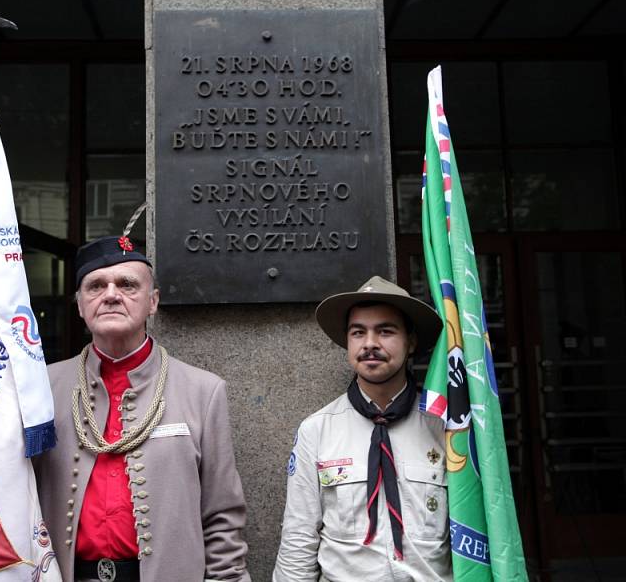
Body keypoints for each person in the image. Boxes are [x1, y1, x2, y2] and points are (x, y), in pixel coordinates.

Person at [35, 231, 250, 582]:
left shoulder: (202, 390)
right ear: (79, 304)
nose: (110, 295)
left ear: (152, 301)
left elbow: (222, 516)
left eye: (127, 284)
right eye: (95, 286)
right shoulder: (43, 388)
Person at [273, 276, 452, 582]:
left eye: (385, 331)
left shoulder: (445, 427)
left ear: (410, 342)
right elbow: (299, 537)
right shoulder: (316, 431)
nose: (370, 343)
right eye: (358, 332)